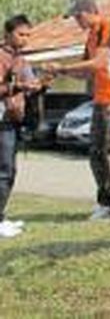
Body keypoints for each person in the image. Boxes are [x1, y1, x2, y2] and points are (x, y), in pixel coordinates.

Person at [47, 0, 110, 221]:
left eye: (78, 16)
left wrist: (63, 67)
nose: (77, 21)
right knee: (97, 153)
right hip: (101, 100)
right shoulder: (91, 36)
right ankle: (107, 201)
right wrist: (60, 72)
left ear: (90, 11)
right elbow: (85, 71)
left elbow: (99, 63)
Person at [0, 15, 42, 237]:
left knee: (9, 170)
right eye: (20, 34)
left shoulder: (22, 59)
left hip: (15, 120)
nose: (25, 39)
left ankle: (2, 217)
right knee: (4, 171)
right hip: (2, 121)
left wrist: (38, 85)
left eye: (28, 35)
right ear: (7, 34)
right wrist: (19, 86)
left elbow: (28, 84)